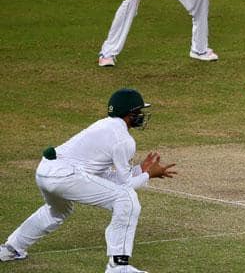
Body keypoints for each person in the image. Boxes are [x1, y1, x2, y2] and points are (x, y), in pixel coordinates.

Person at [0, 89, 176, 273]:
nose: (141, 115)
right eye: (139, 111)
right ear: (130, 114)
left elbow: (103, 177)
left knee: (58, 211)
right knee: (127, 199)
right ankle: (118, 267)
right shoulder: (123, 140)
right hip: (65, 175)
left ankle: (11, 249)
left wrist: (140, 169)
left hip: (45, 171)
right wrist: (149, 175)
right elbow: (124, 186)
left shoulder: (104, 126)